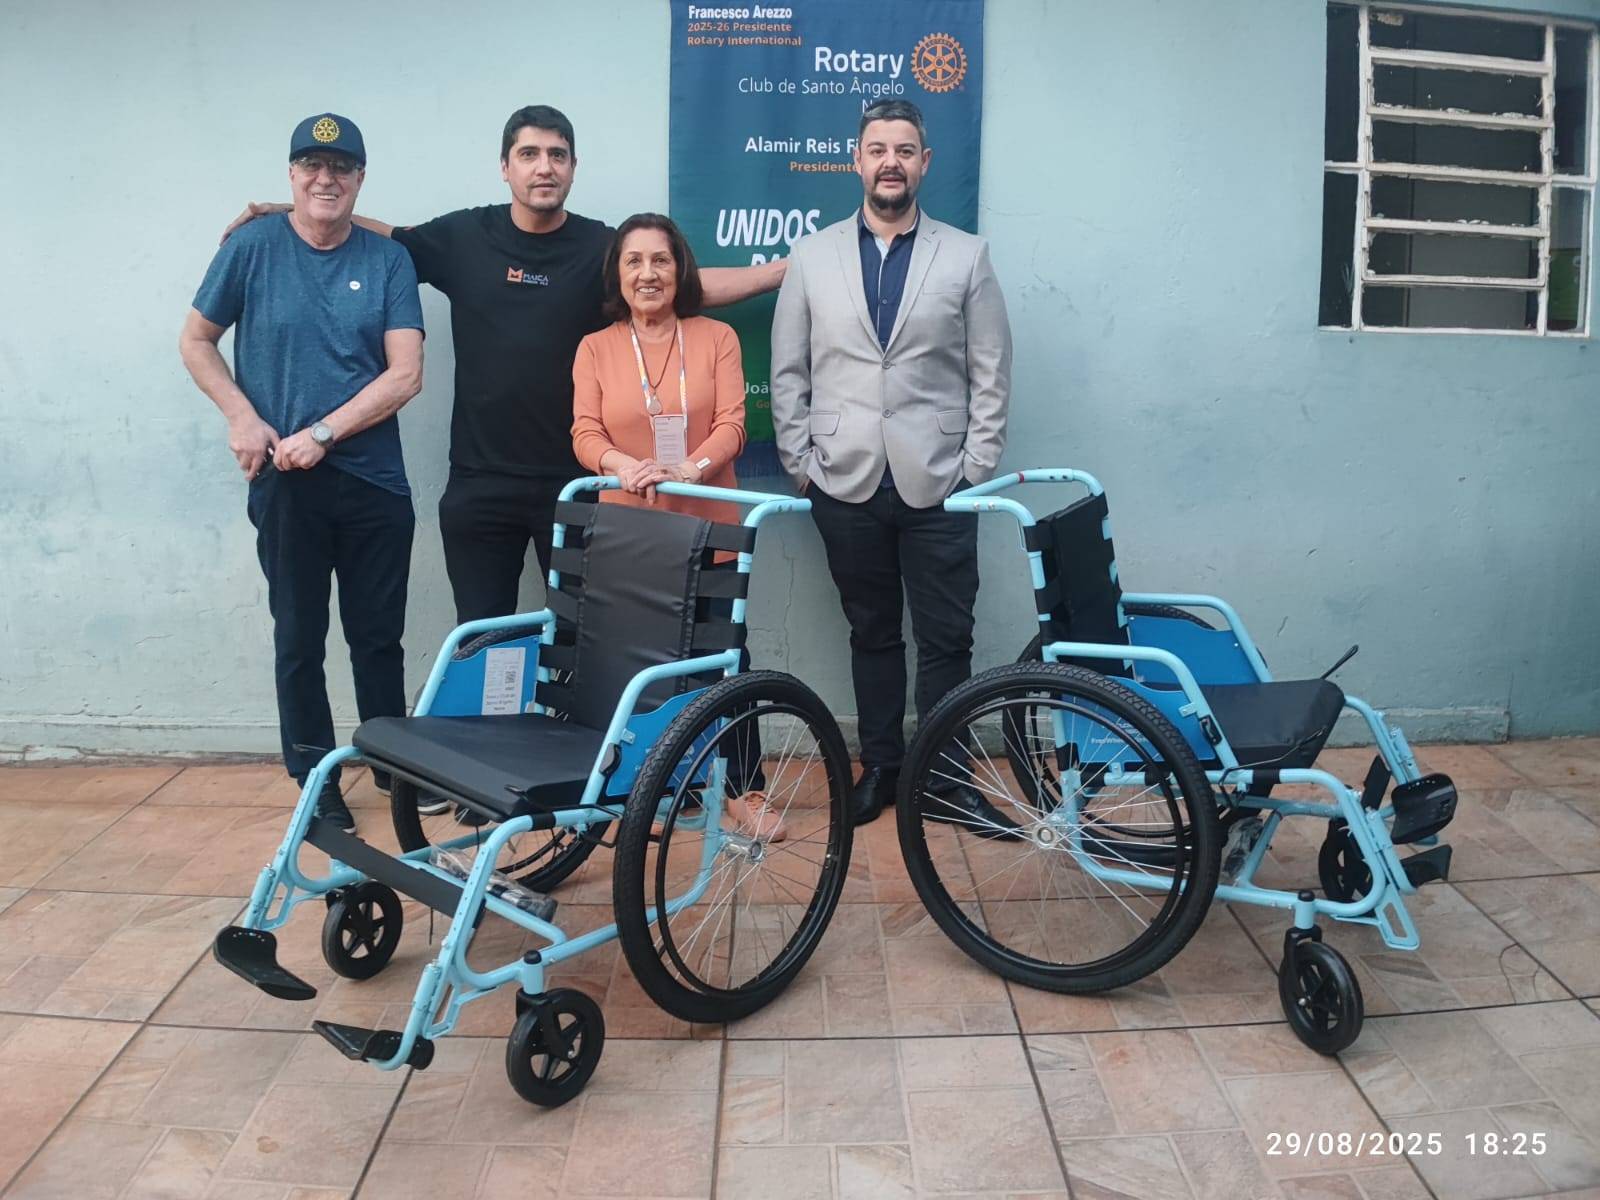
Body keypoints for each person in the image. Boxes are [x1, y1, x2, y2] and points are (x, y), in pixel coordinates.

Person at [223, 106, 784, 630]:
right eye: (530, 154)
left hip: (575, 484)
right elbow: (386, 238)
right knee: (482, 638)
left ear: (572, 166)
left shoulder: (601, 247)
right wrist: (293, 212)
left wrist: (786, 268)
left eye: (557, 155)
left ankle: (567, 738)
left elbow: (685, 285)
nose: (544, 167)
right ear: (505, 166)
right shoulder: (466, 237)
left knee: (582, 638)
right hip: (479, 484)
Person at [769, 99, 1013, 828]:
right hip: (842, 481)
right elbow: (788, 371)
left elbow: (991, 372)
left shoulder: (966, 255)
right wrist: (800, 463)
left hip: (941, 481)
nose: (890, 162)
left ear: (924, 162)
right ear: (857, 160)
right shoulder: (813, 257)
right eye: (878, 149)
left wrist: (975, 466)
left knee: (947, 637)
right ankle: (881, 765)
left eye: (904, 150)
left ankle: (943, 773)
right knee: (871, 631)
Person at [180, 114, 425, 832]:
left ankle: (392, 763)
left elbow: (406, 374)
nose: (326, 179)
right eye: (311, 165)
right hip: (286, 483)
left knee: (378, 635)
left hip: (374, 481)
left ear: (359, 179)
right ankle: (315, 774)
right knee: (298, 635)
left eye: (341, 167)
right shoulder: (252, 247)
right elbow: (196, 339)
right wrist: (240, 416)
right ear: (290, 175)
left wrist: (324, 432)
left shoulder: (386, 261)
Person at [571, 213, 783, 840]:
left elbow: (734, 424)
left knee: (724, 657)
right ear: (617, 273)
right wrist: (623, 465)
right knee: (633, 658)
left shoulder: (715, 336)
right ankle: (642, 792)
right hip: (628, 530)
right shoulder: (595, 347)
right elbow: (586, 433)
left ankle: (744, 791)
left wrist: (685, 468)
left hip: (707, 522)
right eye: (634, 261)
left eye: (660, 260)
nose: (648, 274)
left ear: (680, 269)